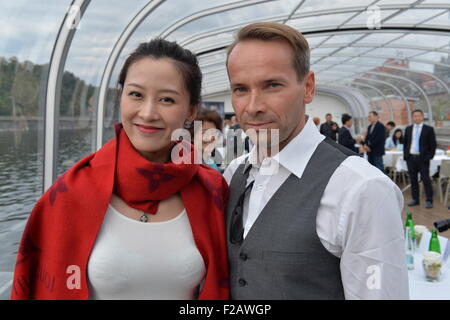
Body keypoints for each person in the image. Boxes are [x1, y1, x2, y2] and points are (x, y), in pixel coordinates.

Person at [11, 39, 230, 300]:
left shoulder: (213, 191)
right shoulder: (70, 194)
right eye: (136, 94)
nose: (148, 113)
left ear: (191, 111)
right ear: (121, 97)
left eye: (167, 99)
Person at [224, 22, 408, 300]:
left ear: (308, 87)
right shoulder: (234, 173)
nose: (253, 106)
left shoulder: (362, 189)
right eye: (240, 89)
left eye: (272, 85)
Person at [403, 109, 437, 209]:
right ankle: (415, 199)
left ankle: (429, 200)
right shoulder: (408, 129)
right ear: (412, 118)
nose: (416, 118)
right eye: (414, 116)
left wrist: (429, 156)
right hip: (411, 158)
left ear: (422, 117)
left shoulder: (429, 129)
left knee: (426, 180)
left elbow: (433, 145)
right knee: (413, 180)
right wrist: (406, 156)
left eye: (418, 116)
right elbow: (406, 143)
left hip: (423, 159)